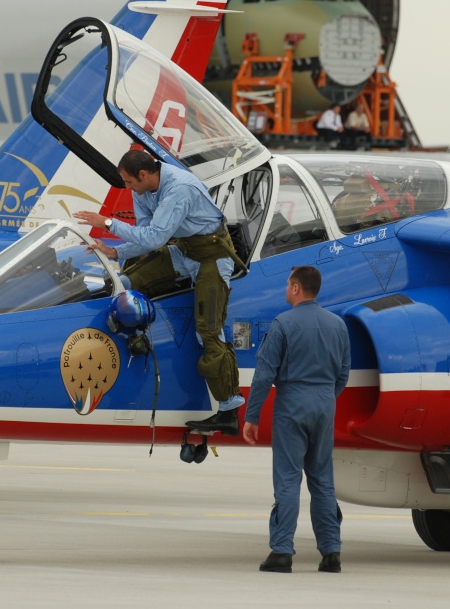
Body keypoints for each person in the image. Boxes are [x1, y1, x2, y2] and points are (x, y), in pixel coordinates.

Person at [73, 149, 244, 435]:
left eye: (128, 183)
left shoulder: (180, 188)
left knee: (209, 331)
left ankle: (229, 410)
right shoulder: (143, 191)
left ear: (143, 175)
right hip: (184, 251)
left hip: (212, 258)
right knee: (127, 281)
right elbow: (146, 239)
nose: (127, 189)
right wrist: (115, 251)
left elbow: (155, 236)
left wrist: (107, 223)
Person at [242, 265, 350, 574]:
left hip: (292, 403)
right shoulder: (338, 325)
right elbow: (343, 372)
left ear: (296, 289)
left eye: (288, 284)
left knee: (288, 479)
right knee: (323, 480)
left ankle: (282, 551)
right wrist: (325, 398)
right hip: (325, 403)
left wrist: (252, 416)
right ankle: (331, 553)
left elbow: (264, 375)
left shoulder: (283, 324)